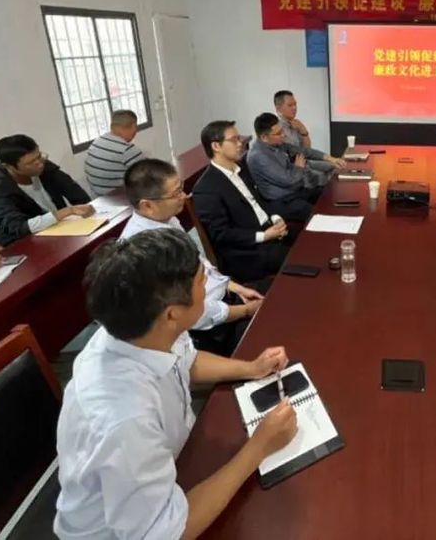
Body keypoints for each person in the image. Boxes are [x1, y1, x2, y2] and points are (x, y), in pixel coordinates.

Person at [54, 229, 297, 539]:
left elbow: (186, 360)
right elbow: (167, 531)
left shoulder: (143, 329)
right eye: (201, 282)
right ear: (172, 314)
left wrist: (251, 368)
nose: (208, 286)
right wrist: (259, 448)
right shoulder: (124, 418)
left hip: (173, 466)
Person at [120, 158, 264, 355]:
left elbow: (199, 261)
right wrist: (245, 311)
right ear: (147, 206)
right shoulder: (144, 251)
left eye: (181, 188)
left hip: (222, 299)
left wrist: (232, 286)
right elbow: (189, 313)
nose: (184, 196)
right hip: (205, 329)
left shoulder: (167, 219)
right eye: (176, 193)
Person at [191, 120, 290, 284]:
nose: (240, 143)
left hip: (268, 231)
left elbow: (260, 200)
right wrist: (264, 236)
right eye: (234, 140)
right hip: (247, 253)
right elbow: (221, 234)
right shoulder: (206, 188)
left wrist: (276, 218)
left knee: (307, 241)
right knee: (299, 258)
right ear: (216, 146)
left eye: (239, 138)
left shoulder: (241, 169)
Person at [0, 135, 94, 245]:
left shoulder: (41, 165)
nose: (40, 164)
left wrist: (88, 212)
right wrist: (66, 212)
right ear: (9, 166)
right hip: (21, 243)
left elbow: (77, 195)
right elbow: (18, 228)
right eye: (30, 162)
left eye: (39, 156)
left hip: (59, 230)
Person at [246, 112, 327, 222]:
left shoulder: (276, 144)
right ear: (264, 137)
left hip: (295, 191)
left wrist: (328, 157)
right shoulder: (258, 156)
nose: (283, 135)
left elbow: (302, 151)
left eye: (282, 130)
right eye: (278, 133)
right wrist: (298, 168)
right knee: (316, 214)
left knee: (325, 193)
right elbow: (288, 180)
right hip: (282, 201)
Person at [273, 90, 346, 173]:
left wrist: (304, 131)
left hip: (305, 162)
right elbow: (295, 154)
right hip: (293, 169)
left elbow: (307, 149)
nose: (294, 108)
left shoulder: (296, 123)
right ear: (278, 108)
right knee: (332, 170)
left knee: (335, 166)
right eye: (290, 105)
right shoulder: (276, 129)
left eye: (295, 104)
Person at [83, 110, 146, 196]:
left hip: (97, 197)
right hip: (118, 199)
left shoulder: (97, 142)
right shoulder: (127, 150)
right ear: (133, 126)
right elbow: (150, 176)